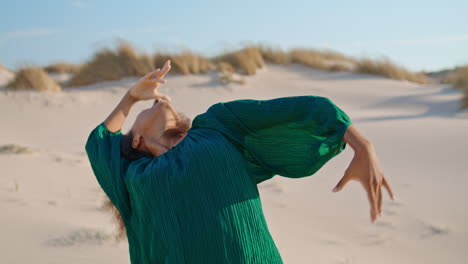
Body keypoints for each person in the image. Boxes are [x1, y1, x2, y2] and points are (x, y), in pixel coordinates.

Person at [85, 60, 395, 263]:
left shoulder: (217, 126)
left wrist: (362, 145)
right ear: (136, 139)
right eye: (143, 111)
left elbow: (306, 110)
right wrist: (130, 98)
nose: (158, 99)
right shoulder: (131, 176)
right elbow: (100, 143)